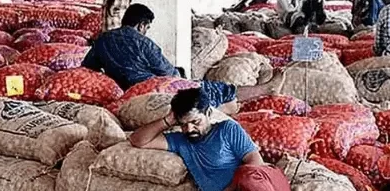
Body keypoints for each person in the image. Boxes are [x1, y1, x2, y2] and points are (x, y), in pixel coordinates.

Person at [129, 87, 294, 191]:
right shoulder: (180, 141)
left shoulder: (227, 129)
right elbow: (138, 141)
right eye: (183, 125)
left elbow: (255, 165)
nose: (189, 129)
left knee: (246, 174)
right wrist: (168, 120)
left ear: (208, 113)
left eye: (195, 122)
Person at [82, 3, 283, 115]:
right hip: (152, 89)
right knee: (214, 88)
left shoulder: (103, 40)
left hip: (123, 91)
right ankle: (265, 89)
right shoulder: (144, 44)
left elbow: (88, 68)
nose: (146, 32)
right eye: (147, 28)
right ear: (142, 25)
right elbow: (169, 74)